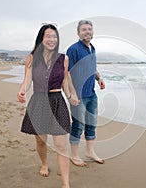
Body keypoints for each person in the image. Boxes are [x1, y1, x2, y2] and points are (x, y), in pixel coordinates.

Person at [17, 24, 78, 188]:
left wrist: (71, 96)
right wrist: (22, 91)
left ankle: (65, 184)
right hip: (39, 101)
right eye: (48, 36)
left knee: (61, 146)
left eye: (54, 36)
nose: (52, 39)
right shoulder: (32, 58)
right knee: (41, 142)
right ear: (41, 39)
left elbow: (64, 81)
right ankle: (44, 163)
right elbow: (27, 79)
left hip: (57, 101)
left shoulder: (63, 58)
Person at [67, 20, 105, 167]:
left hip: (91, 94)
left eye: (90, 29)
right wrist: (72, 94)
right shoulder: (73, 49)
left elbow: (93, 68)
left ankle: (90, 152)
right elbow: (67, 73)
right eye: (84, 29)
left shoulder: (92, 48)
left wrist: (99, 78)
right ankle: (75, 156)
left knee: (91, 124)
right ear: (78, 33)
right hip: (78, 95)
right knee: (78, 125)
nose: (87, 31)